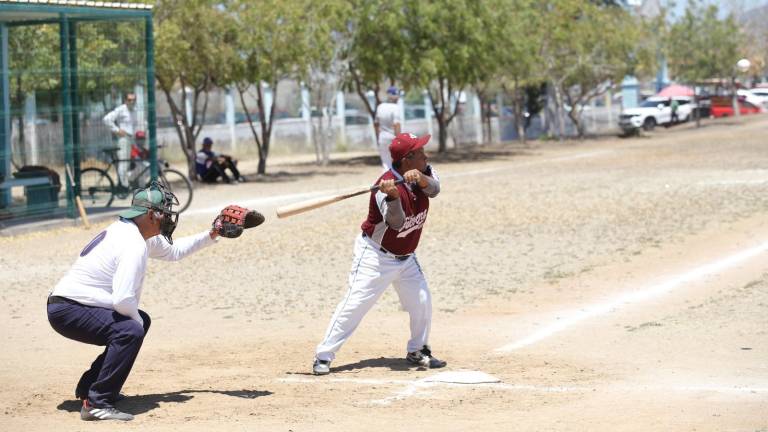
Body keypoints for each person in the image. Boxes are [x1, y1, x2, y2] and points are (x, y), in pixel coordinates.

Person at [47, 181, 223, 421]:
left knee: (138, 323)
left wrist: (212, 234)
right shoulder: (133, 243)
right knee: (130, 329)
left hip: (70, 304)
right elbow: (122, 299)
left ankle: (91, 386)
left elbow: (174, 252)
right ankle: (97, 402)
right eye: (165, 211)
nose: (169, 217)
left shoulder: (135, 232)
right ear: (151, 215)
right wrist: (136, 324)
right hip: (68, 309)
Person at [312, 132, 446, 375]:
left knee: (422, 302)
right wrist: (394, 196)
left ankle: (418, 351)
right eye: (420, 152)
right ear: (407, 158)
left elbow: (435, 189)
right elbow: (396, 223)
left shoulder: (425, 171)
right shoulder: (384, 188)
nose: (426, 155)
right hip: (376, 256)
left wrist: (422, 180)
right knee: (355, 304)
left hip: (406, 257)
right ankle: (323, 355)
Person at [103, 93, 138, 186]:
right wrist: (117, 130)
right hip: (123, 138)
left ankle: (123, 183)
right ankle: (123, 186)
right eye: (129, 100)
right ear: (125, 101)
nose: (132, 102)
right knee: (123, 162)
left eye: (134, 100)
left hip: (131, 139)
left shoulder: (135, 110)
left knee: (128, 163)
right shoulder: (121, 109)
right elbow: (106, 119)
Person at [374, 86, 403, 170]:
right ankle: (395, 182)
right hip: (393, 138)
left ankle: (386, 180)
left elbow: (376, 124)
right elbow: (396, 124)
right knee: (396, 164)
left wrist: (378, 137)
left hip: (382, 138)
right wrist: (399, 140)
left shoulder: (380, 107)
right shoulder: (395, 108)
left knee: (386, 164)